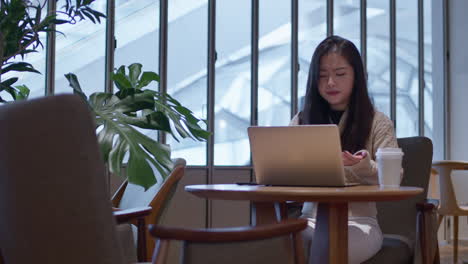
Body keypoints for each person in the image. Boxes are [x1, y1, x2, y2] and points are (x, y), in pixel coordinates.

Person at [290, 35, 399, 264]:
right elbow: (288, 170)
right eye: (322, 75)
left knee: (327, 248)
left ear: (356, 76)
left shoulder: (378, 122)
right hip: (309, 220)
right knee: (275, 244)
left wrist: (362, 165)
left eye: (340, 74)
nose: (330, 82)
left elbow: (394, 175)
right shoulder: (302, 120)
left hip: (360, 224)